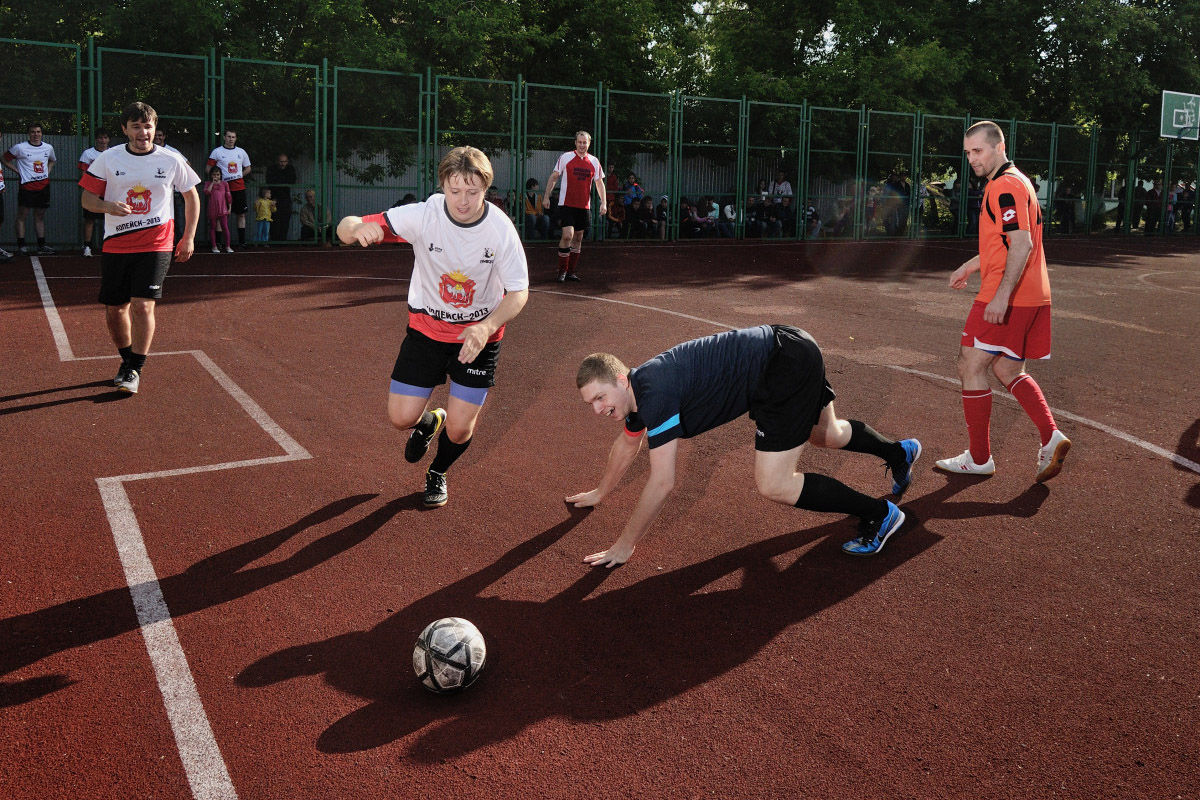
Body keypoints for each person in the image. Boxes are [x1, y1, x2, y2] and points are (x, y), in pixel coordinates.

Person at [568, 325, 923, 566]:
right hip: (792, 344)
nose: (598, 409)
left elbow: (663, 482)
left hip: (779, 369)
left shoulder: (655, 394)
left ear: (620, 379)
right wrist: (600, 492)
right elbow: (627, 445)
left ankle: (880, 515)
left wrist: (625, 544)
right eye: (591, 404)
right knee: (828, 434)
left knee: (774, 483)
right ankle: (899, 452)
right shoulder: (637, 391)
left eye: (600, 397)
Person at [336, 146, 530, 507]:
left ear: (486, 188)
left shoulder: (499, 229)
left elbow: (519, 291)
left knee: (459, 429)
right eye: (455, 191)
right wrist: (358, 228)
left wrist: (486, 327)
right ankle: (428, 422)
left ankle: (438, 472)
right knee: (400, 418)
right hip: (426, 332)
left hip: (478, 338)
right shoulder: (423, 216)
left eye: (473, 192)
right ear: (442, 185)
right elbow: (344, 227)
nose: (463, 200)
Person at [935, 120, 1070, 482]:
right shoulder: (1018, 180)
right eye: (967, 152)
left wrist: (1001, 297)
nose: (971, 159)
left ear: (999, 147)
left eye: (977, 150)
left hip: (1009, 296)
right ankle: (1051, 435)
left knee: (970, 365)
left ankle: (979, 459)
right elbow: (1006, 242)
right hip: (1033, 294)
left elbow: (1021, 243)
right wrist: (970, 264)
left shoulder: (1003, 186)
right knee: (1008, 369)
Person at [78, 101, 201, 395]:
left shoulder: (172, 160)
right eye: (136, 126)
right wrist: (108, 206)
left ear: (154, 128)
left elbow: (192, 198)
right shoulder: (108, 159)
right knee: (115, 310)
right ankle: (127, 360)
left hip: (156, 243)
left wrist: (188, 238)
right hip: (117, 245)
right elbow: (87, 200)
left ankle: (135, 367)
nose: (143, 132)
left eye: (148, 126)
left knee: (143, 305)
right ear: (125, 129)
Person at [543, 130, 606, 281]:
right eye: (580, 142)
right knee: (567, 235)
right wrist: (547, 196)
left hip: (584, 207)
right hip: (567, 204)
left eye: (585, 142)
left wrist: (603, 202)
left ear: (589, 144)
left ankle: (571, 272)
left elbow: (599, 183)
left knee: (578, 238)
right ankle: (562, 271)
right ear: (575, 143)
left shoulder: (594, 162)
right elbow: (554, 177)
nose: (582, 145)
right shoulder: (566, 157)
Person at [3, 122, 57, 255]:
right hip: (26, 186)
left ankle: (41, 245)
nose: (36, 135)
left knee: (40, 215)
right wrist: (17, 171)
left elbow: (52, 160)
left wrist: (47, 172)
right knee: (22, 215)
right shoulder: (20, 148)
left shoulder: (48, 147)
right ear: (29, 134)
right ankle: (22, 246)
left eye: (38, 132)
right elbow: (4, 159)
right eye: (33, 132)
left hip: (43, 186)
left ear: (42, 133)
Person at [206, 129, 252, 248]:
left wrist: (238, 175)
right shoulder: (217, 152)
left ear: (236, 138)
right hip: (222, 189)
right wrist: (218, 180)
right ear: (224, 137)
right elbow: (208, 169)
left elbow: (248, 168)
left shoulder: (241, 152)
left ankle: (242, 242)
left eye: (233, 137)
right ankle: (219, 243)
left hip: (239, 187)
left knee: (241, 214)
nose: (231, 139)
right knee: (221, 216)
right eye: (229, 136)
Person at [77, 131, 110, 256]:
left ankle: (108, 246)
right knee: (89, 220)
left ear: (108, 140)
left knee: (109, 220)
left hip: (108, 193)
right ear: (96, 139)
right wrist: (90, 188)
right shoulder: (88, 154)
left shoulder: (112, 154)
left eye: (105, 137)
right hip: (93, 192)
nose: (103, 140)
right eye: (100, 137)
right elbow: (83, 173)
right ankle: (87, 247)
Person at [264, 152, 296, 242]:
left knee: (285, 219)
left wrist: (280, 181)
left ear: (287, 161)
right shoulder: (271, 169)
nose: (282, 164)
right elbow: (270, 180)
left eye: (284, 161)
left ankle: (283, 240)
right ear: (277, 161)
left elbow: (292, 180)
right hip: (274, 198)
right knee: (274, 219)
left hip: (285, 197)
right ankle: (274, 240)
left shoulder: (290, 169)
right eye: (281, 161)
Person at [204, 166, 233, 253]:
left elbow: (228, 196)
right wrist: (212, 183)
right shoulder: (208, 183)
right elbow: (206, 192)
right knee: (213, 227)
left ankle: (227, 246)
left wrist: (229, 208)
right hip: (212, 209)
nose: (216, 176)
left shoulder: (225, 184)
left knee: (225, 227)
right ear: (211, 175)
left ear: (220, 175)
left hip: (222, 209)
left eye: (217, 174)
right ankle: (214, 246)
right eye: (214, 175)